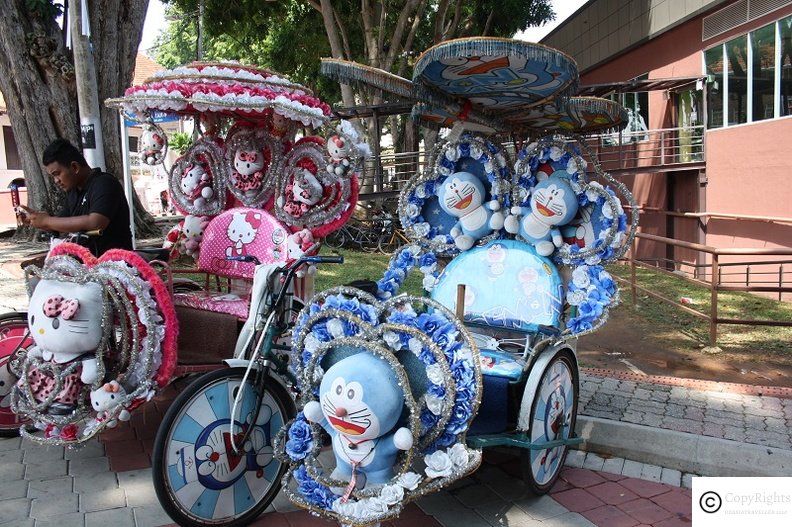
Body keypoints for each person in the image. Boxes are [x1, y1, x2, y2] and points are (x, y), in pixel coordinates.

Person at [18, 138, 133, 256]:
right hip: (86, 266)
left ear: (74, 167)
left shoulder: (105, 183)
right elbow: (61, 223)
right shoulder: (73, 192)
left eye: (57, 174)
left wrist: (47, 221)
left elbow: (96, 222)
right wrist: (36, 220)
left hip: (117, 265)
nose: (56, 181)